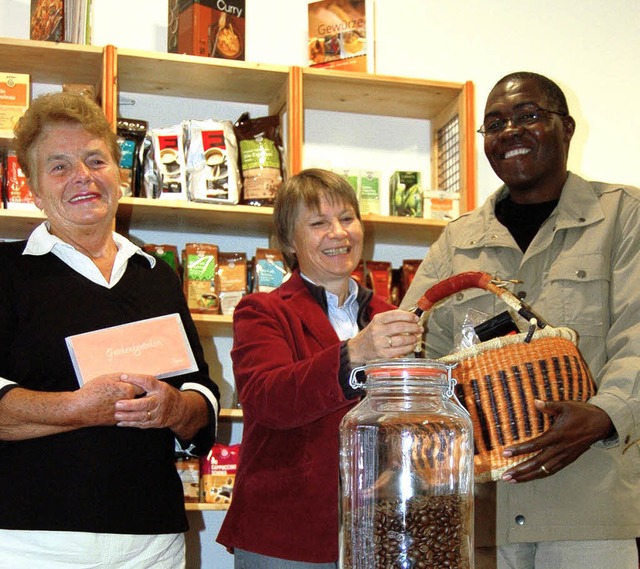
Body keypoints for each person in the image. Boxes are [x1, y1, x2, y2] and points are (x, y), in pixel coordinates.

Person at [400, 71, 640, 569]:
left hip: (589, 507)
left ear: (566, 128)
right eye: (494, 124)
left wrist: (603, 414)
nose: (509, 131)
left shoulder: (624, 216)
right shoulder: (457, 240)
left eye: (528, 116)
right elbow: (415, 350)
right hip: (479, 515)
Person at [0, 92, 220, 568]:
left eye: (95, 159)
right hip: (32, 540)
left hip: (152, 540)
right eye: (58, 167)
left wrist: (176, 406)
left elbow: (201, 390)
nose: (82, 175)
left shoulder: (156, 274)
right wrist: (80, 407)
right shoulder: (6, 273)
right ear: (34, 189)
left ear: (117, 174)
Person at [216, 168, 423, 567]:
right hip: (286, 534)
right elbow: (265, 399)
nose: (338, 233)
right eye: (318, 223)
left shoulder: (387, 315)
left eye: (347, 218)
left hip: (377, 529)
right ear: (288, 241)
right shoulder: (262, 311)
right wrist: (353, 355)